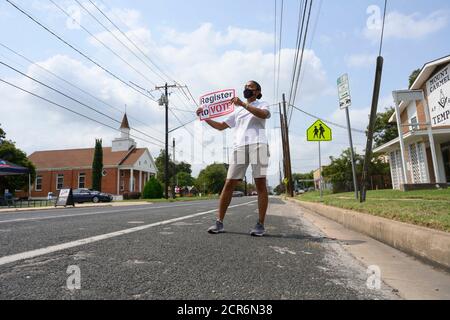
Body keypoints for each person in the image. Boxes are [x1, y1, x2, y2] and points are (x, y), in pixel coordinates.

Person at [196, 81, 271, 237]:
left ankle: (260, 225)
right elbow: (221, 126)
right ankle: (219, 222)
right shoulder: (236, 111)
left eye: (249, 88)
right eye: (245, 87)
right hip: (240, 147)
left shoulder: (262, 103)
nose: (246, 90)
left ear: (257, 91)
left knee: (260, 183)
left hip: (259, 145)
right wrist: (204, 117)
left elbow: (263, 115)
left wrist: (243, 104)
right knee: (229, 182)